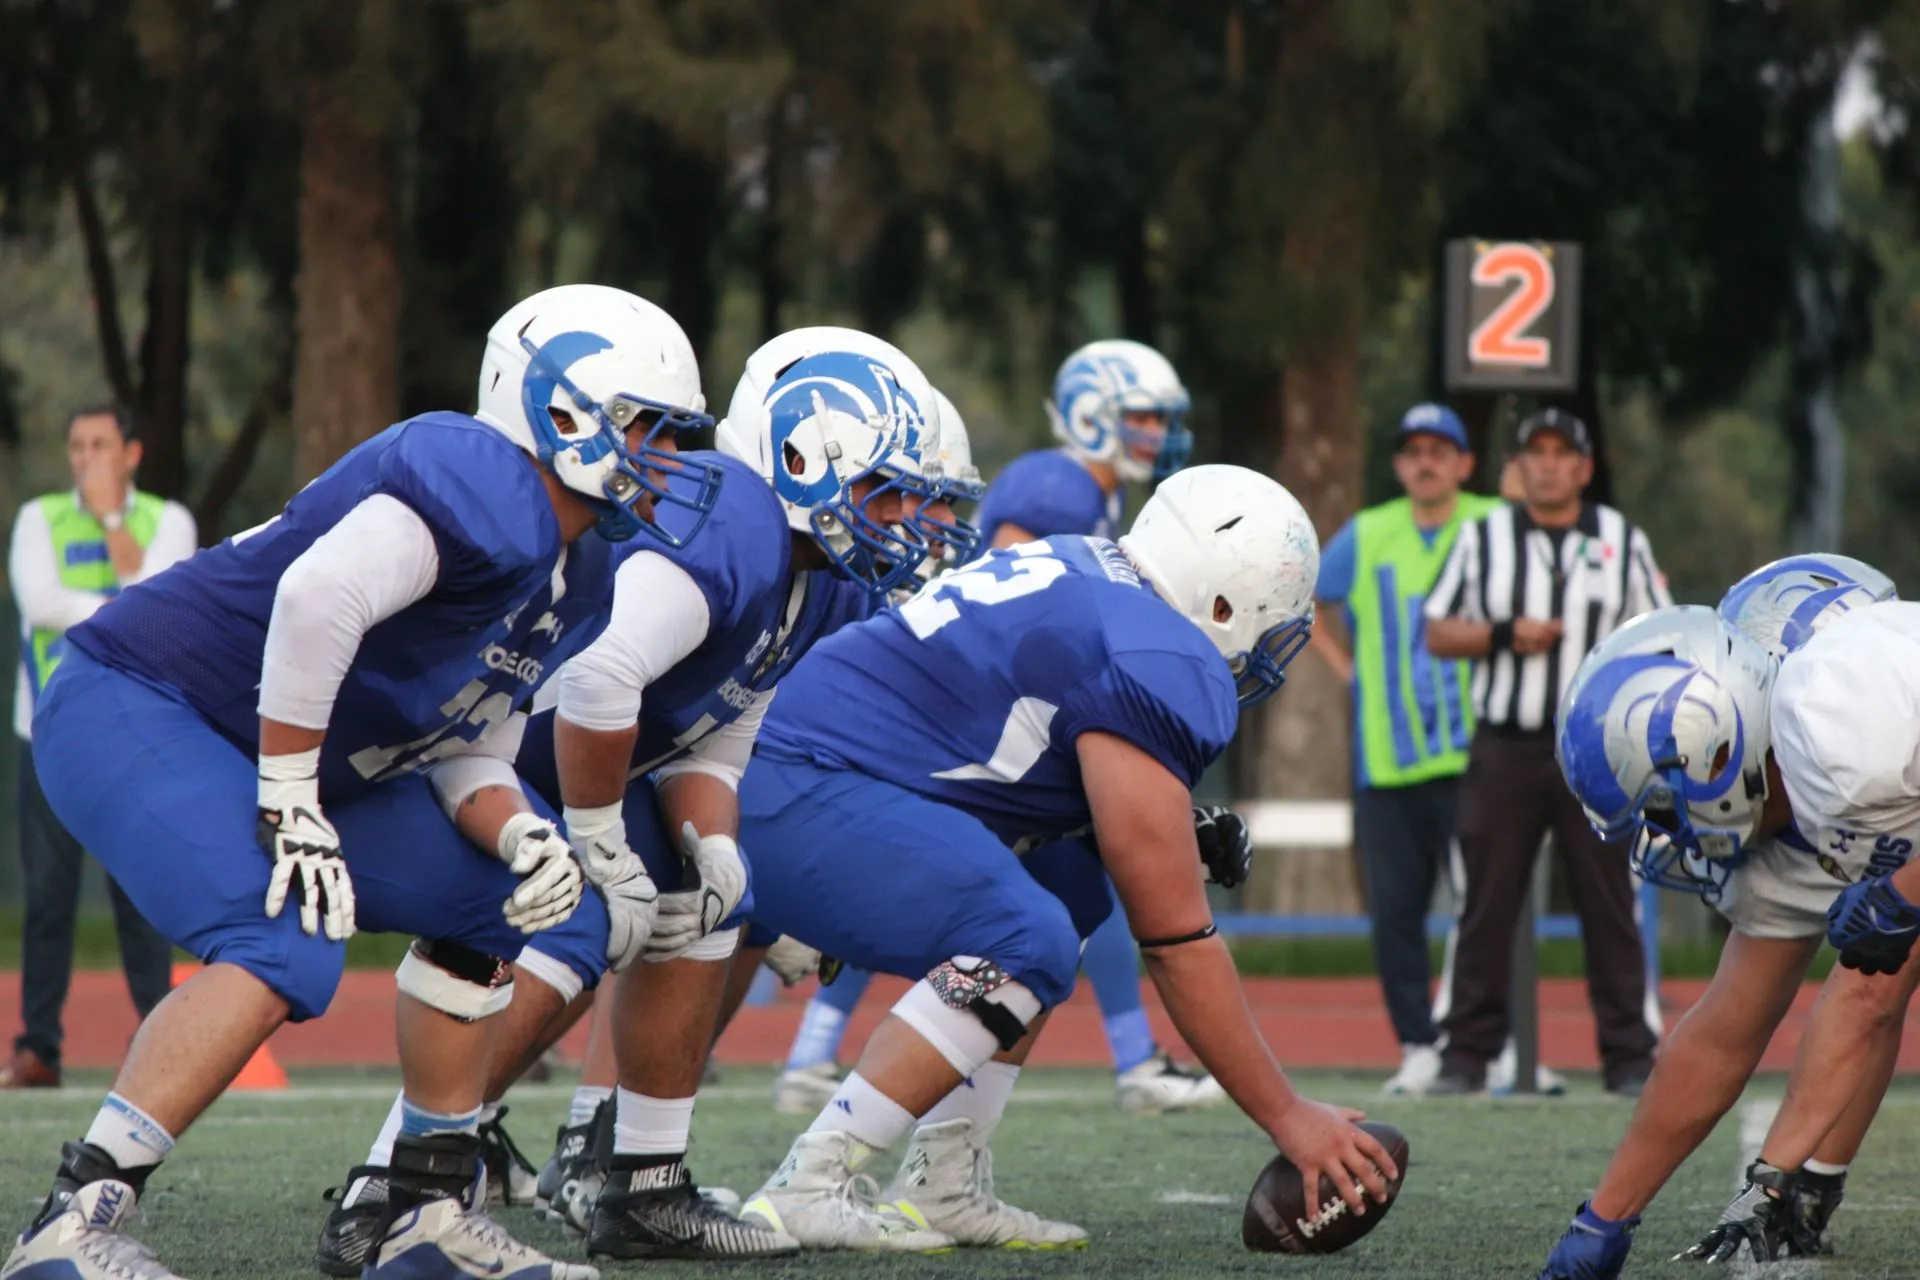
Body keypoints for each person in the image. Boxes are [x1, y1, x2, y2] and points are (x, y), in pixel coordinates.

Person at [3, 282, 720, 1280]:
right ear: (561, 411)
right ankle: (74, 1217)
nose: (675, 460)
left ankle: (414, 1210)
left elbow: (470, 746)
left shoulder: (581, 574)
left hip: (277, 746)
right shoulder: (477, 475)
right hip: (143, 698)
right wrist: (293, 800)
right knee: (287, 932)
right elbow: (315, 595)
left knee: (523, 903)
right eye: (653, 427)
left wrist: (519, 832)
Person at [310, 326, 937, 1270]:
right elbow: (598, 679)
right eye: (885, 488)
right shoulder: (735, 520)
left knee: (708, 887)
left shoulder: (829, 588)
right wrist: (600, 837)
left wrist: (715, 845)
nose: (902, 516)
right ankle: (394, 1179)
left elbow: (724, 737)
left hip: (590, 764)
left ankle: (642, 1184)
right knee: (581, 919)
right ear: (804, 460)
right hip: (501, 747)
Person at [730, 464, 1398, 1252]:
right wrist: (1290, 1116)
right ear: (1223, 603)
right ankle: (810, 1180)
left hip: (798, 776)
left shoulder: (1087, 564)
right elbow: (1177, 941)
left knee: (1070, 882)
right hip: (806, 795)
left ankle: (944, 1182)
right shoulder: (1163, 655)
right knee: (1031, 936)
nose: (1261, 653)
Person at [774, 338, 1225, 1118]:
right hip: (955, 718)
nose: (1160, 432)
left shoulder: (1102, 499)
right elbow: (1018, 617)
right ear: (1092, 412)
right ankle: (817, 1066)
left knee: (1068, 884)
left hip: (970, 719)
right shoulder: (1058, 484)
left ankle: (832, 1062)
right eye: (1145, 415)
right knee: (984, 894)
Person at [1535, 588, 1920, 1278]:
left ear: (1714, 752)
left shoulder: (1843, 712)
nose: (1666, 834)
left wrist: (1775, 1175)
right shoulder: (1781, 840)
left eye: (1660, 808)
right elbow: (1722, 1036)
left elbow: (1872, 995)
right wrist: (1604, 1219)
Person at [1423, 408, 1669, 1098]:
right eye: (1538, 452)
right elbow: (1439, 632)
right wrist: (1506, 634)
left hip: (1596, 749)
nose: (1551, 464)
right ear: (1519, 466)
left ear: (1585, 468)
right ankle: (1466, 1055)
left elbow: (1660, 634)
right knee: (1486, 902)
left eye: (1565, 453)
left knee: (1609, 901)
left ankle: (1628, 1057)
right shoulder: (1482, 538)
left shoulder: (1623, 539)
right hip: (1507, 745)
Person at [1308, 403, 1500, 1096]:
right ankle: (1419, 1044)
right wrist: (1345, 667)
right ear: (1398, 464)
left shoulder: (1492, 522)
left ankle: (1487, 1041)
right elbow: (1309, 598)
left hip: (1479, 754)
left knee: (1486, 903)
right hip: (1385, 759)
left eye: (1440, 450)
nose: (1426, 461)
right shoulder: (1367, 533)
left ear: (1464, 463)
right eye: (1414, 449)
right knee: (1396, 911)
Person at [6, 403, 197, 1089]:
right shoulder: (38, 519)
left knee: (143, 897)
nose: (86, 458)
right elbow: (39, 603)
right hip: (48, 735)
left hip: (132, 735)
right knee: (49, 899)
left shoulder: (167, 521)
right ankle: (37, 1051)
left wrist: (115, 522)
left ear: (132, 454)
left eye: (101, 445)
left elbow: (162, 600)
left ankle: (164, 1041)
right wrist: (123, 603)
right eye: (77, 445)